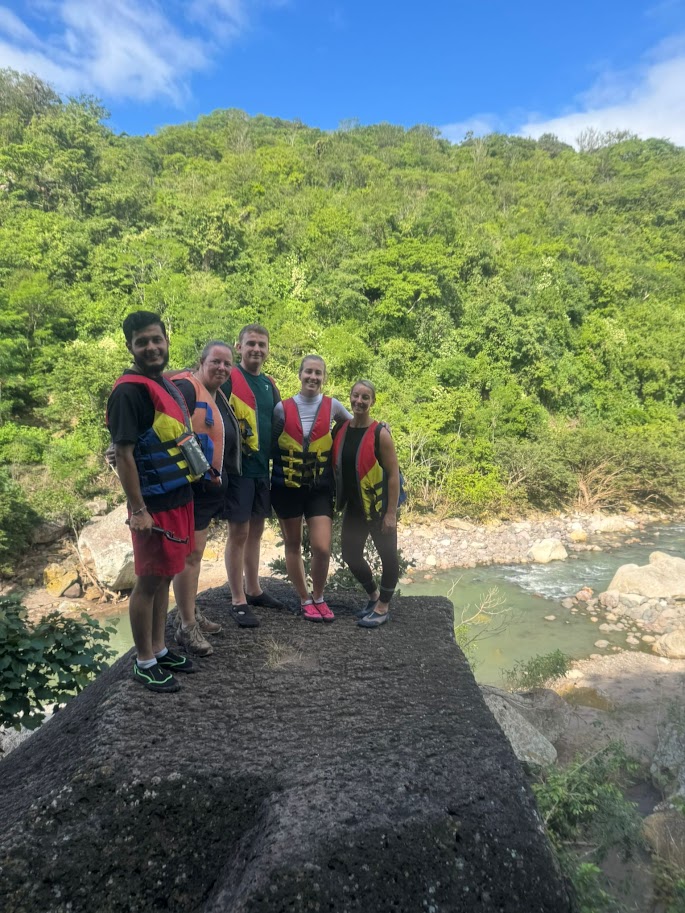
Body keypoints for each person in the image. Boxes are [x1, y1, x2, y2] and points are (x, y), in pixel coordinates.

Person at [106, 311, 199, 692]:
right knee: (147, 582)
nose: (151, 347)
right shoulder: (129, 392)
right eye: (142, 341)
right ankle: (144, 660)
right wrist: (139, 510)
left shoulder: (164, 383)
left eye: (156, 339)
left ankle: (160, 648)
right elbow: (124, 454)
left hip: (176, 495)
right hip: (152, 506)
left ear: (166, 340)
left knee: (164, 577)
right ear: (130, 346)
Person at [170, 341, 241, 656]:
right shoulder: (186, 388)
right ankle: (186, 626)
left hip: (208, 490)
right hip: (191, 488)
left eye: (228, 364)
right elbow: (158, 418)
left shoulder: (216, 393)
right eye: (217, 362)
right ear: (202, 361)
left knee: (195, 555)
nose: (222, 368)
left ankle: (191, 611)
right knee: (190, 556)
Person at [271, 355, 352, 622]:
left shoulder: (334, 407)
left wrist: (379, 427)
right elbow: (273, 445)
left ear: (324, 377)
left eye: (318, 373)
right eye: (308, 372)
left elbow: (355, 426)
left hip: (319, 488)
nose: (313, 377)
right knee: (293, 544)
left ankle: (319, 596)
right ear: (300, 374)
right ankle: (304, 599)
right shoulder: (282, 409)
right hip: (287, 487)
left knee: (322, 547)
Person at [220, 324, 284, 627]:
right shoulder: (229, 376)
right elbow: (189, 388)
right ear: (239, 346)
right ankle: (237, 599)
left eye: (262, 344)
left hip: (263, 469)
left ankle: (254, 588)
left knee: (256, 531)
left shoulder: (270, 384)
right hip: (238, 469)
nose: (256, 349)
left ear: (267, 349)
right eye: (251, 344)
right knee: (239, 533)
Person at [331, 380, 401, 628]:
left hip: (378, 506)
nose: (359, 401)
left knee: (388, 556)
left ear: (373, 401)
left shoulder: (380, 433)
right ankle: (373, 597)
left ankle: (383, 607)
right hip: (354, 506)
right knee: (350, 554)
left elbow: (393, 474)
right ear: (349, 397)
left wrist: (391, 513)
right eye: (355, 396)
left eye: (365, 397)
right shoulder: (340, 429)